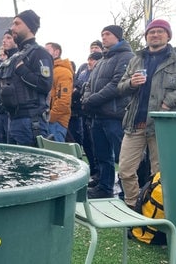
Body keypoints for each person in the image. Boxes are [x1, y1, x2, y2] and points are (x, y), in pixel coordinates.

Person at [117, 19, 176, 208]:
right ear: (146, 36)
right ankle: (134, 208)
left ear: (168, 35)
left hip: (162, 125)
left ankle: (159, 213)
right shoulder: (136, 59)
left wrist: (169, 101)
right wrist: (130, 84)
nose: (155, 35)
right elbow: (120, 87)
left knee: (160, 174)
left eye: (160, 31)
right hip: (135, 122)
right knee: (125, 171)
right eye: (151, 32)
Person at [82, 25, 134, 199]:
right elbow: (89, 84)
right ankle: (104, 187)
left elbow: (117, 84)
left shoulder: (127, 57)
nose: (103, 37)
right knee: (102, 155)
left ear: (118, 37)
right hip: (98, 115)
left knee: (123, 157)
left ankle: (128, 191)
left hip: (115, 115)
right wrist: (87, 98)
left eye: (107, 34)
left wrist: (93, 100)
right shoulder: (103, 59)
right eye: (102, 34)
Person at [0, 9, 53, 147]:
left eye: (17, 24)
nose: (12, 28)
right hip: (14, 119)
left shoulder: (39, 53)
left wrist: (22, 70)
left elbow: (45, 84)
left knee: (31, 168)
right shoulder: (16, 56)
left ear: (29, 26)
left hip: (31, 122)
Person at [73, 52, 102, 186]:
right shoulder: (84, 72)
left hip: (97, 112)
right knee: (88, 144)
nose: (90, 62)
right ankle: (95, 171)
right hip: (85, 113)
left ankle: (100, 174)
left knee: (99, 147)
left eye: (93, 60)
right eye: (89, 59)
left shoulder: (99, 72)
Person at [44, 42, 73, 142]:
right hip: (49, 120)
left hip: (56, 122)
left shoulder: (63, 72)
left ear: (56, 52)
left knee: (55, 151)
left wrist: (50, 117)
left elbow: (63, 101)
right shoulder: (49, 70)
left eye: (47, 51)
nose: (44, 54)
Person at [0, 29, 19, 143]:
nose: (4, 41)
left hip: (18, 113)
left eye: (8, 38)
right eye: (3, 38)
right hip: (3, 112)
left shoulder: (20, 59)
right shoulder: (2, 65)